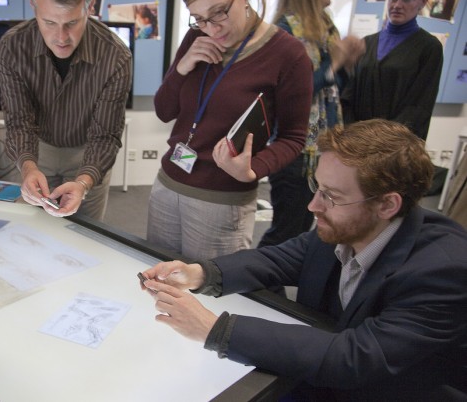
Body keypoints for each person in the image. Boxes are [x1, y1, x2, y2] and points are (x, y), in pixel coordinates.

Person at [140, 119, 467, 401]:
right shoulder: (347, 225)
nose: (314, 206)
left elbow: (357, 357)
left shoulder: (444, 271)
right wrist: (200, 273)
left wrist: (215, 329)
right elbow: (278, 259)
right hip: (321, 383)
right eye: (317, 187)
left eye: (331, 195)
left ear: (387, 205)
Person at [147, 0, 312, 261]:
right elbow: (164, 111)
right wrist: (182, 68)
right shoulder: (195, 38)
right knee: (160, 284)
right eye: (199, 18)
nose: (211, 28)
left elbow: (294, 137)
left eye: (219, 12)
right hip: (168, 186)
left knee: (207, 295)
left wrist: (254, 169)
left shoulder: (289, 54)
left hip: (222, 200)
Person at [0, 0, 133, 221]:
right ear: (33, 6)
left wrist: (83, 182)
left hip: (88, 154)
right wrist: (28, 168)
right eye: (49, 22)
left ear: (89, 8)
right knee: (31, 231)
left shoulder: (116, 55)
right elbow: (19, 121)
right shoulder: (12, 47)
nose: (61, 37)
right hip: (37, 150)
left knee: (86, 233)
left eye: (72, 22)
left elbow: (105, 135)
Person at [258, 0, 365, 248]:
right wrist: (335, 64)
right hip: (295, 148)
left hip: (321, 149)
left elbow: (332, 87)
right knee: (286, 231)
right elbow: (291, 94)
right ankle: (261, 285)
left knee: (302, 227)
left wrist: (345, 65)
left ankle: (270, 283)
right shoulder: (283, 32)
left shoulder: (325, 29)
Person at [341, 0, 443, 141]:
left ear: (423, 2)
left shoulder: (429, 48)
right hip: (355, 142)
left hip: (393, 147)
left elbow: (418, 107)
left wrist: (381, 141)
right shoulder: (367, 42)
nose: (397, 5)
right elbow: (348, 95)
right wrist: (353, 134)